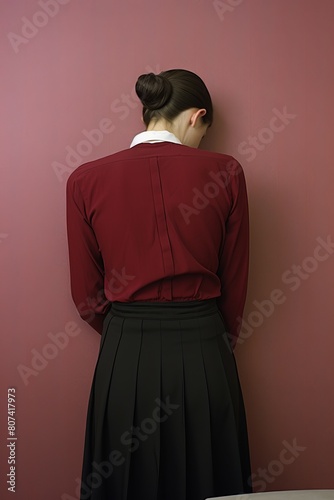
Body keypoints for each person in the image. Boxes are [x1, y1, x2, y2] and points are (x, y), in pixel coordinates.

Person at [66, 69, 252, 500]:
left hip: (124, 347)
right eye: (205, 131)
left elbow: (85, 293)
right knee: (210, 478)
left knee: (126, 478)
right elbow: (236, 279)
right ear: (196, 117)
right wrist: (217, 339)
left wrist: (124, 331)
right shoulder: (227, 172)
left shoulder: (85, 179)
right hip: (206, 343)